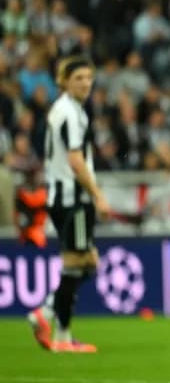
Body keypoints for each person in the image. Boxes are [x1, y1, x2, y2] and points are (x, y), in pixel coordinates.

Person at [27, 56, 108, 354]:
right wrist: (97, 194)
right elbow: (75, 160)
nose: (86, 83)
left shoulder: (66, 109)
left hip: (64, 197)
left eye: (88, 77)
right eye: (78, 78)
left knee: (85, 263)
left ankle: (62, 335)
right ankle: (45, 313)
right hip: (72, 198)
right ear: (64, 81)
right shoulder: (70, 112)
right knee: (78, 262)